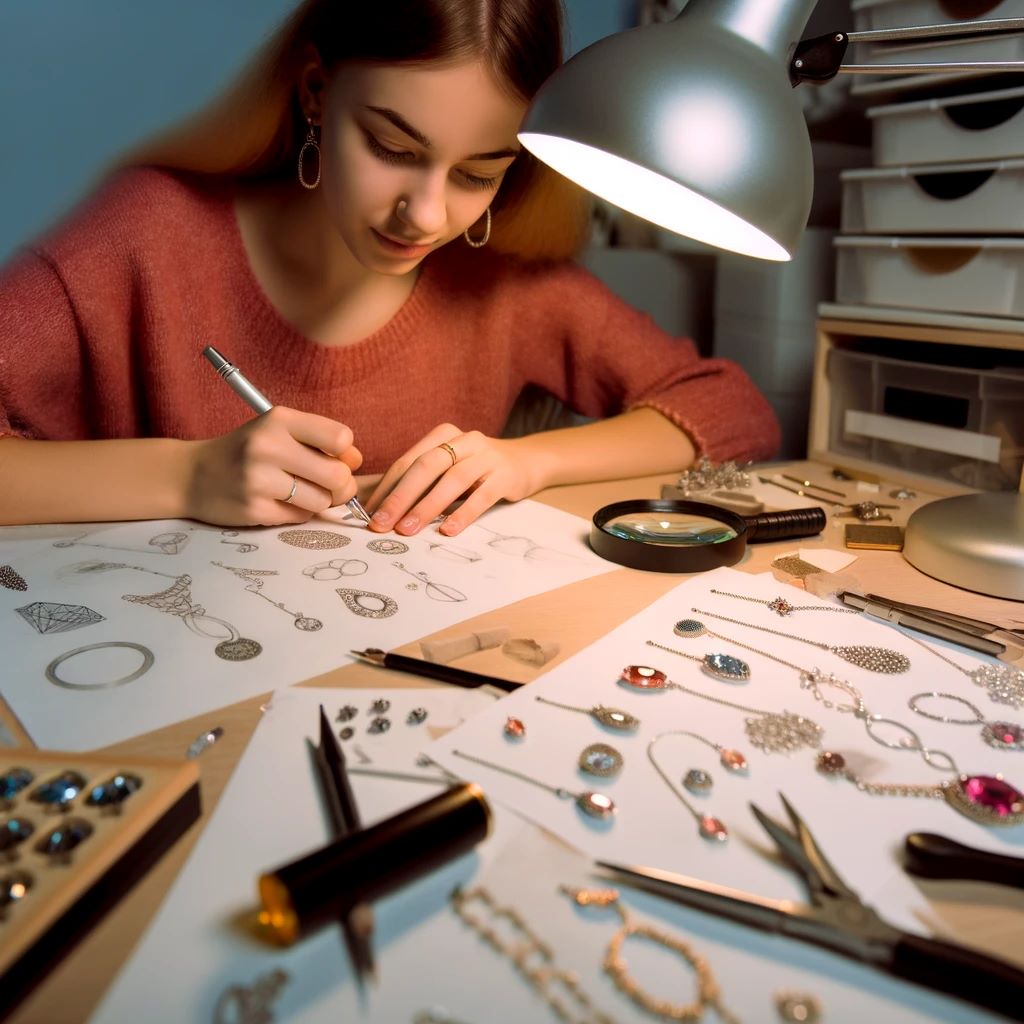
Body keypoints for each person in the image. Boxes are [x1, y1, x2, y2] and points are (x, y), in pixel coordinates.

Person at [0, 0, 779, 538]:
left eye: (479, 173)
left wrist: (525, 461)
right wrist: (187, 478)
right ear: (315, 95)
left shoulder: (505, 286)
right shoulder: (144, 231)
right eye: (394, 150)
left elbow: (733, 411)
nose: (428, 216)